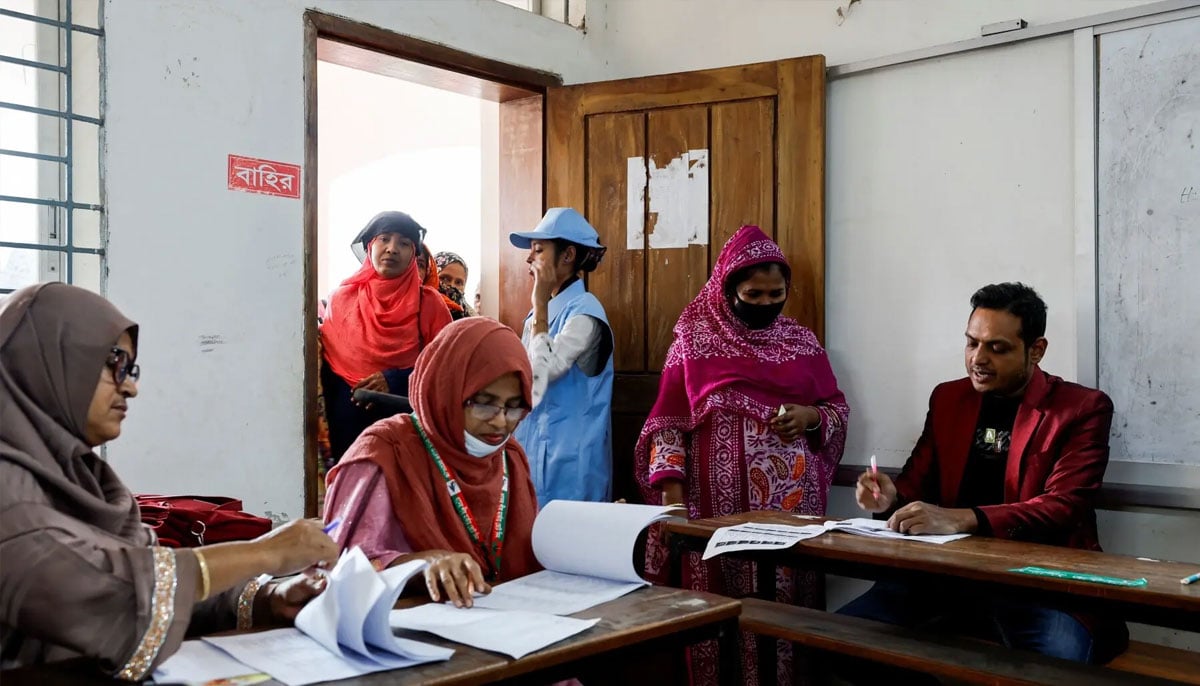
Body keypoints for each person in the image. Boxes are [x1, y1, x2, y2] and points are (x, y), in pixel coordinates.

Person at [0, 283, 339, 677]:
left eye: (131, 368)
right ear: (45, 362)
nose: (131, 386)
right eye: (114, 364)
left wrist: (267, 597)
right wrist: (263, 553)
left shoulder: (88, 482)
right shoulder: (9, 497)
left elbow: (159, 598)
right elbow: (111, 600)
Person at [840, 282, 1126, 674]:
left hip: (1042, 587)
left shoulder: (1081, 408)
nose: (979, 358)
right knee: (841, 642)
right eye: (972, 343)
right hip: (944, 579)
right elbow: (915, 484)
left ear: (1036, 350)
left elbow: (1064, 506)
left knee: (1055, 671)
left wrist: (963, 517)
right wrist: (889, 497)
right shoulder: (948, 399)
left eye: (998, 347)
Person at [634, 225, 850, 686]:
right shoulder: (693, 341)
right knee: (721, 621)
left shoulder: (802, 342)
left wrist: (809, 417)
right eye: (754, 294)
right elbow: (666, 428)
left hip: (792, 517)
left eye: (777, 294)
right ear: (727, 288)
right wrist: (674, 512)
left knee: (785, 618)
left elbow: (835, 408)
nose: (767, 304)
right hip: (713, 520)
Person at [323, 317, 540, 607]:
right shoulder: (384, 454)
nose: (500, 421)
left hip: (512, 625)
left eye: (514, 407)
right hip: (403, 629)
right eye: (485, 403)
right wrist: (418, 565)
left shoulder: (509, 457)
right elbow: (343, 565)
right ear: (446, 390)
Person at [319, 212, 452, 464]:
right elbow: (325, 368)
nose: (392, 249)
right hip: (345, 432)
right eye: (384, 239)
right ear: (370, 245)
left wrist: (394, 380)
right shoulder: (341, 298)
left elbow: (446, 366)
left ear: (414, 254)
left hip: (403, 431)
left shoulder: (430, 303)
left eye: (404, 243)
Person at [508, 208, 614, 507]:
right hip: (533, 451)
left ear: (567, 256)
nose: (530, 259)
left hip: (571, 463)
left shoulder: (586, 313)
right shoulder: (537, 315)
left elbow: (543, 371)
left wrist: (539, 303)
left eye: (539, 250)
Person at [434, 251, 476, 320]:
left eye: (458, 282)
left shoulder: (472, 320)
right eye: (445, 278)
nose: (452, 285)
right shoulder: (417, 309)